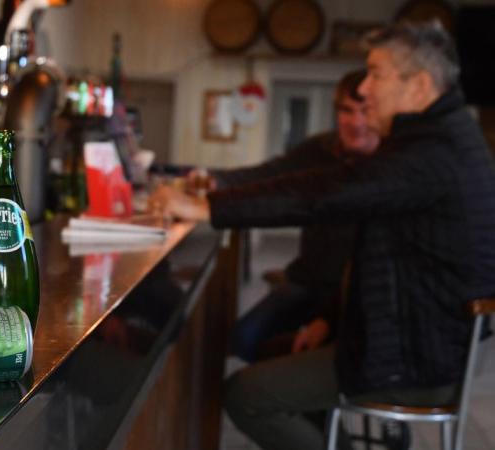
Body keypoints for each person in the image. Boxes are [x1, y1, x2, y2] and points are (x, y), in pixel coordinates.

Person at [150, 21, 495, 450]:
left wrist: (206, 207)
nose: (363, 89)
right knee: (275, 351)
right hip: (422, 346)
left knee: (246, 394)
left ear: (419, 85)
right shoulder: (443, 139)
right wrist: (330, 319)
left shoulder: (430, 154)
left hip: (414, 360)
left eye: (376, 74)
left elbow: (320, 194)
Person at [207, 70, 379, 362]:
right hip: (307, 280)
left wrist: (329, 319)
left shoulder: (391, 167)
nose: (356, 123)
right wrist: (213, 180)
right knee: (243, 339)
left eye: (365, 111)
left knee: (324, 362)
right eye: (347, 111)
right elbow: (270, 176)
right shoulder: (320, 148)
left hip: (354, 296)